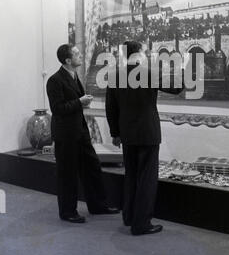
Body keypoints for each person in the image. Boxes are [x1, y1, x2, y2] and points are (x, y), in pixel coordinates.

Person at [105, 41, 184, 235]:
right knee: (147, 179)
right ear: (140, 53)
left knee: (131, 175)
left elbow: (111, 108)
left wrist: (115, 133)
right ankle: (141, 223)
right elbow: (178, 88)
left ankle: (129, 216)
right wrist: (180, 66)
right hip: (148, 133)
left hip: (127, 134)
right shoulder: (150, 73)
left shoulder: (115, 75)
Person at [46, 44, 119, 223]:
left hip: (80, 131)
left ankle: (98, 206)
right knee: (67, 174)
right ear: (68, 60)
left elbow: (69, 104)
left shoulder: (73, 75)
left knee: (92, 168)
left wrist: (80, 103)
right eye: (77, 54)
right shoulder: (54, 80)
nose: (81, 55)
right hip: (65, 135)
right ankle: (68, 212)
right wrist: (80, 101)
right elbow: (57, 109)